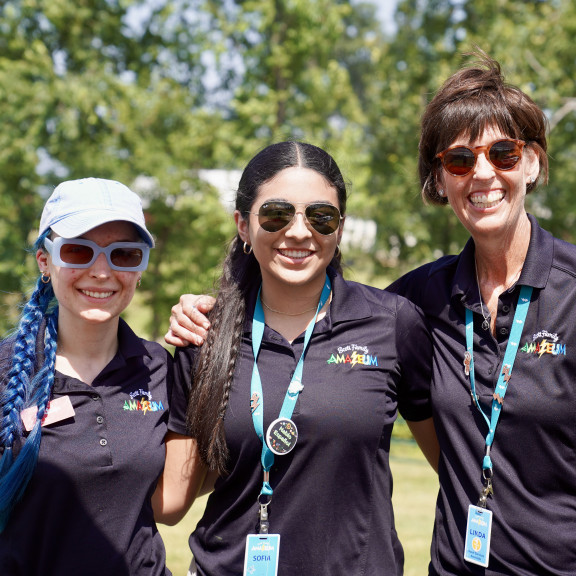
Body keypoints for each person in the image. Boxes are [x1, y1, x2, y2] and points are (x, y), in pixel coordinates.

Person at [166, 53, 576, 575]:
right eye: (459, 160)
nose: (483, 173)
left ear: (533, 162)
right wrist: (210, 310)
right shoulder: (417, 301)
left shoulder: (566, 290)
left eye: (503, 152)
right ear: (440, 180)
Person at [153, 141, 438, 576]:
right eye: (276, 214)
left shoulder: (391, 324)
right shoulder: (203, 335)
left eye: (321, 216)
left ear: (339, 228)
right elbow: (172, 498)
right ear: (243, 226)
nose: (300, 232)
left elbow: (454, 460)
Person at [0, 178, 173, 576]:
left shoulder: (160, 367)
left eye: (124, 254)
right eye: (78, 250)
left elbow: (175, 499)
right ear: (45, 261)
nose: (101, 271)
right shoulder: (6, 370)